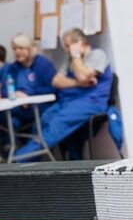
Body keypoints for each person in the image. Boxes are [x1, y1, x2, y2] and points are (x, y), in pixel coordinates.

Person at [14, 28, 113, 160]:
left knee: (56, 125)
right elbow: (56, 81)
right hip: (67, 102)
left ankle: (19, 160)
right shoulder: (69, 60)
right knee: (43, 120)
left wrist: (76, 56)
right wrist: (78, 83)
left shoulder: (97, 55)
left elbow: (83, 76)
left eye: (68, 46)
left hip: (90, 102)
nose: (66, 50)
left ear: (80, 43)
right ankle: (32, 163)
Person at [0, 34, 57, 135]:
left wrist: (27, 96)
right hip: (15, 107)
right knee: (12, 122)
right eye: (14, 49)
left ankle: (11, 145)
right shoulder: (11, 68)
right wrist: (15, 93)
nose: (17, 52)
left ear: (31, 49)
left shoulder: (44, 65)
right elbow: (4, 90)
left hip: (38, 108)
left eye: (21, 48)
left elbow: (51, 89)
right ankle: (9, 146)